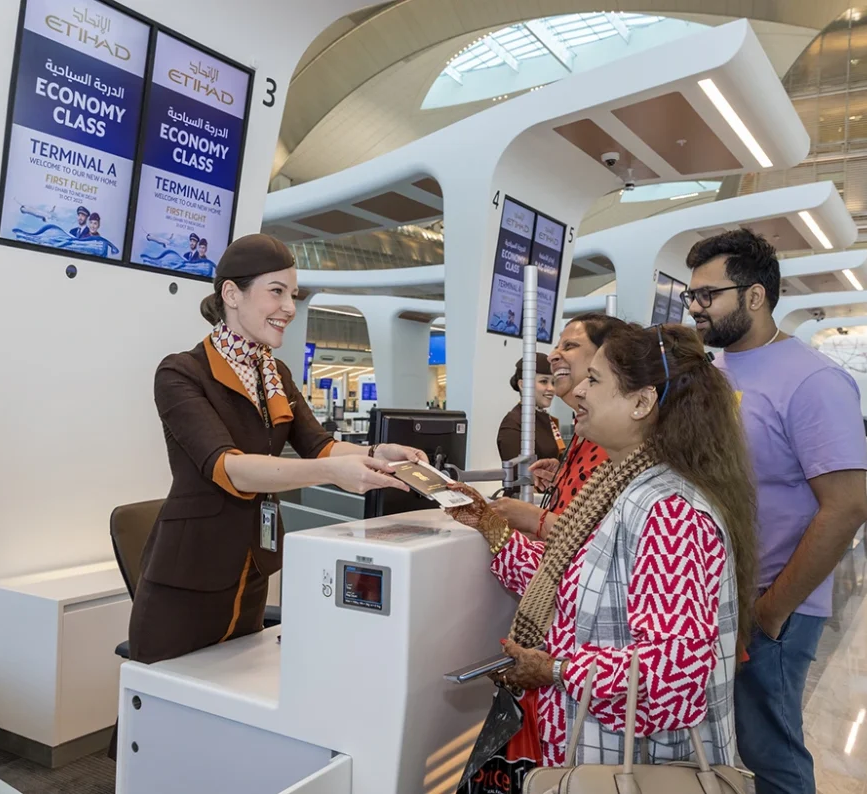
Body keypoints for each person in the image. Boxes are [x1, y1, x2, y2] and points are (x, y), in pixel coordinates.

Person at [446, 320, 757, 772]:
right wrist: (490, 527)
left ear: (641, 402)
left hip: (630, 767)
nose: (579, 392)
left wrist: (554, 670)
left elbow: (672, 679)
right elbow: (576, 582)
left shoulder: (669, 512)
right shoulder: (623, 485)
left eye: (595, 380)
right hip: (593, 755)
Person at [129, 233, 427, 666]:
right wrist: (331, 474)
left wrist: (378, 453)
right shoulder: (181, 372)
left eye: (293, 294)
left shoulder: (275, 373)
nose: (289, 306)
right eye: (276, 292)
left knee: (232, 710)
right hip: (188, 579)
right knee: (159, 713)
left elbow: (319, 446)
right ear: (231, 293)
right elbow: (230, 468)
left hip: (251, 569)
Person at [685, 228, 867, 794]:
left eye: (708, 295)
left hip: (774, 606)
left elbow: (845, 508)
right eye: (691, 296)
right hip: (719, 601)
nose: (696, 307)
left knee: (772, 753)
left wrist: (769, 611)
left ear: (755, 296)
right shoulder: (717, 375)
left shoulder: (813, 381)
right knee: (731, 747)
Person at [490, 313, 615, 541]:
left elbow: (603, 539)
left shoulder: (615, 438)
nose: (553, 356)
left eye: (569, 346)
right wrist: (563, 478)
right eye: (557, 346)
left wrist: (534, 518)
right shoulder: (583, 429)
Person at [496, 354, 564, 465]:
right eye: (543, 381)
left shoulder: (546, 419)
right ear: (523, 385)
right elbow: (517, 475)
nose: (551, 389)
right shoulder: (513, 423)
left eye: (553, 382)